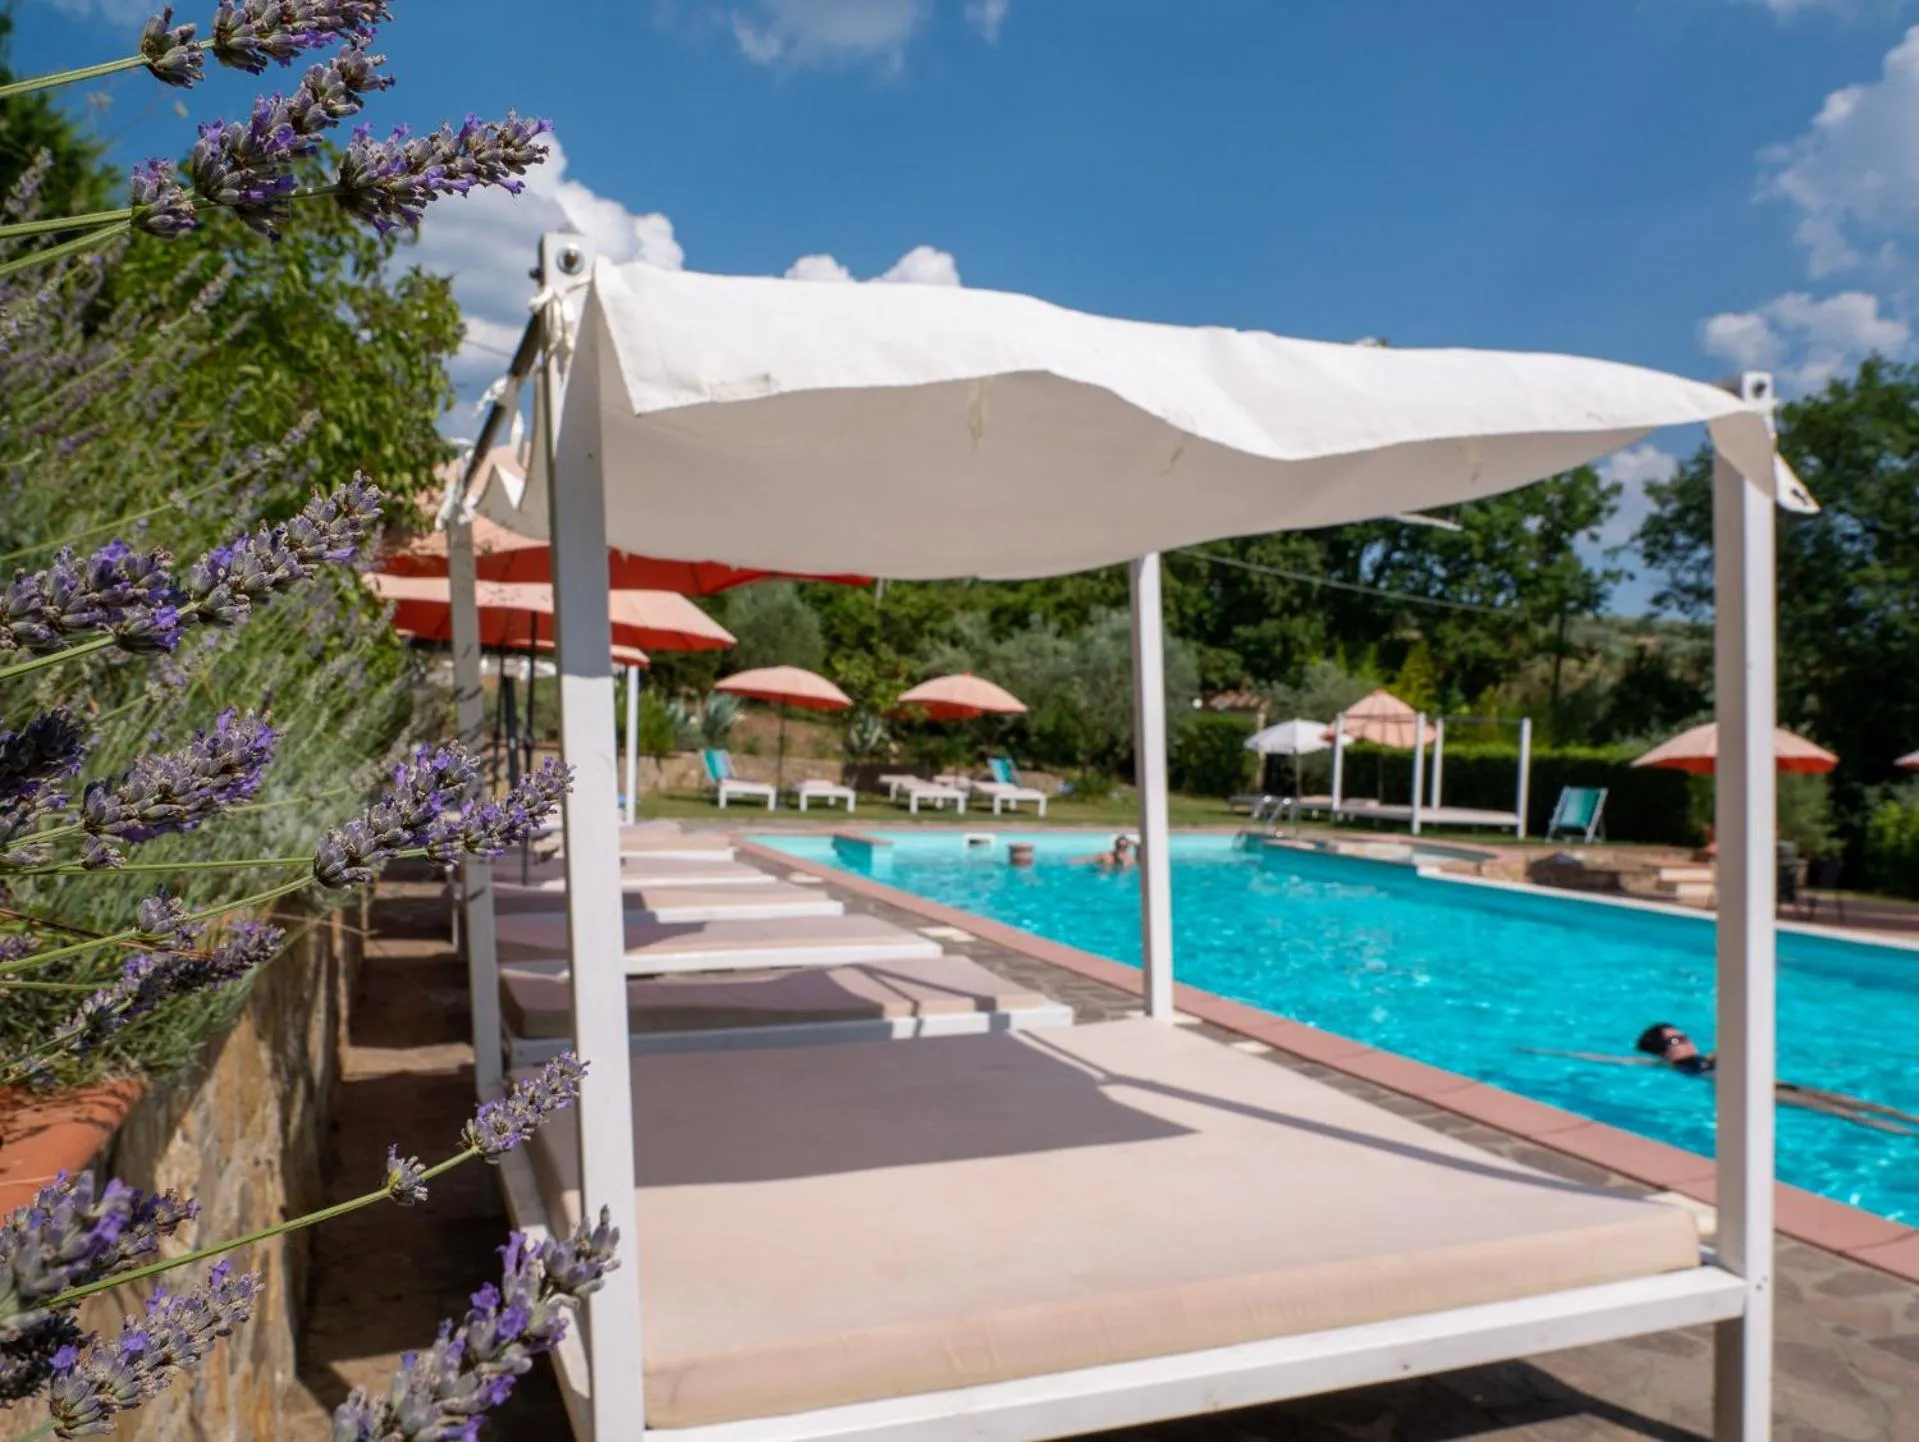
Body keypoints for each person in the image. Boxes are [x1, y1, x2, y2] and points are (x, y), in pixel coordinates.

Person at [1535, 1022, 1919, 1135]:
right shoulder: (1670, 1067)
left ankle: (1911, 1120)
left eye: (1683, 1035)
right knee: (1839, 1113)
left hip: (1770, 1081)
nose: (1685, 1041)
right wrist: (1554, 1053)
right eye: (1674, 1040)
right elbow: (1614, 1060)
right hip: (1752, 1089)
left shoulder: (1704, 1057)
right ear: (1662, 1051)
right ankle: (1906, 1134)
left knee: (1854, 1102)